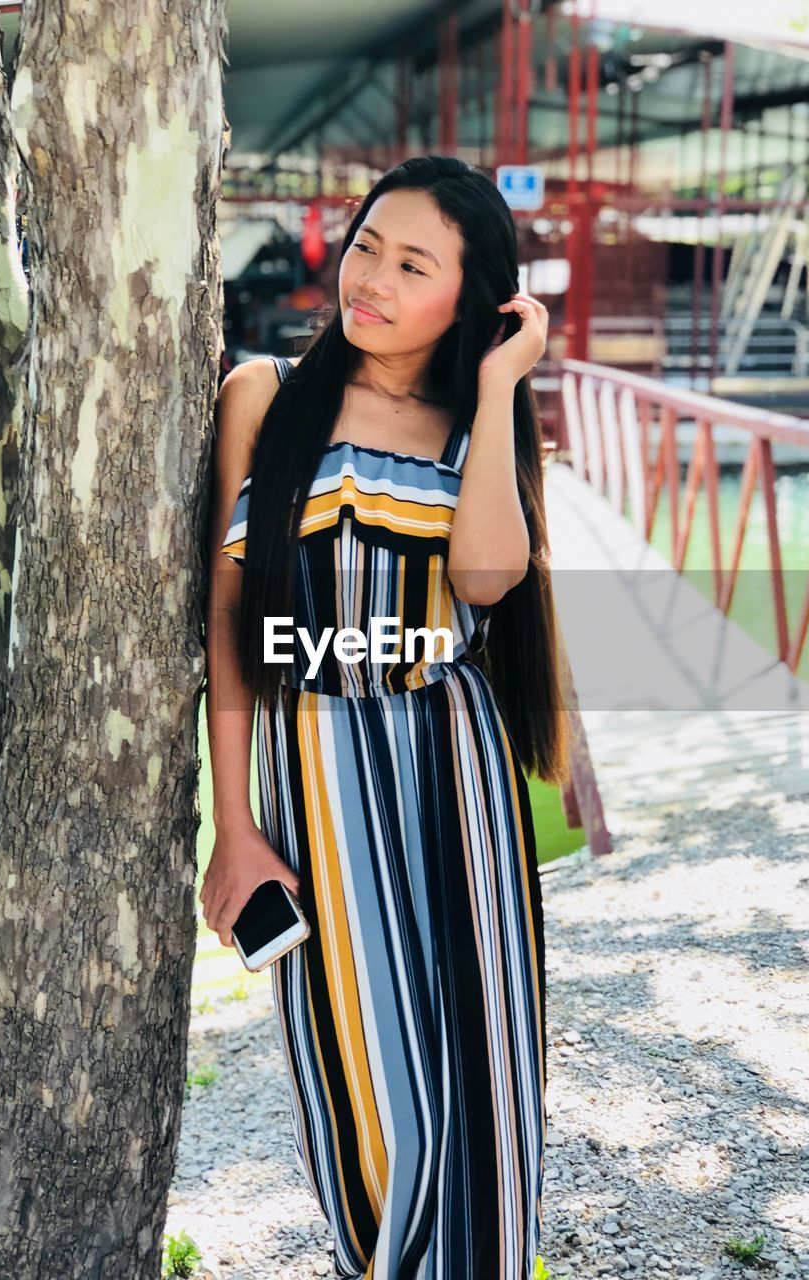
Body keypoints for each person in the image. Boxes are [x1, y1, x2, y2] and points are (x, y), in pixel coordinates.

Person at [201, 154, 570, 1280]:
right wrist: (234, 819)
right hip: (314, 769)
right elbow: (225, 621)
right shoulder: (263, 395)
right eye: (368, 244)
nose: (374, 276)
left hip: (458, 775)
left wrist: (504, 386)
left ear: (474, 298)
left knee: (488, 1088)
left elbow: (492, 578)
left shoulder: (476, 426)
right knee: (367, 1098)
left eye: (415, 264)